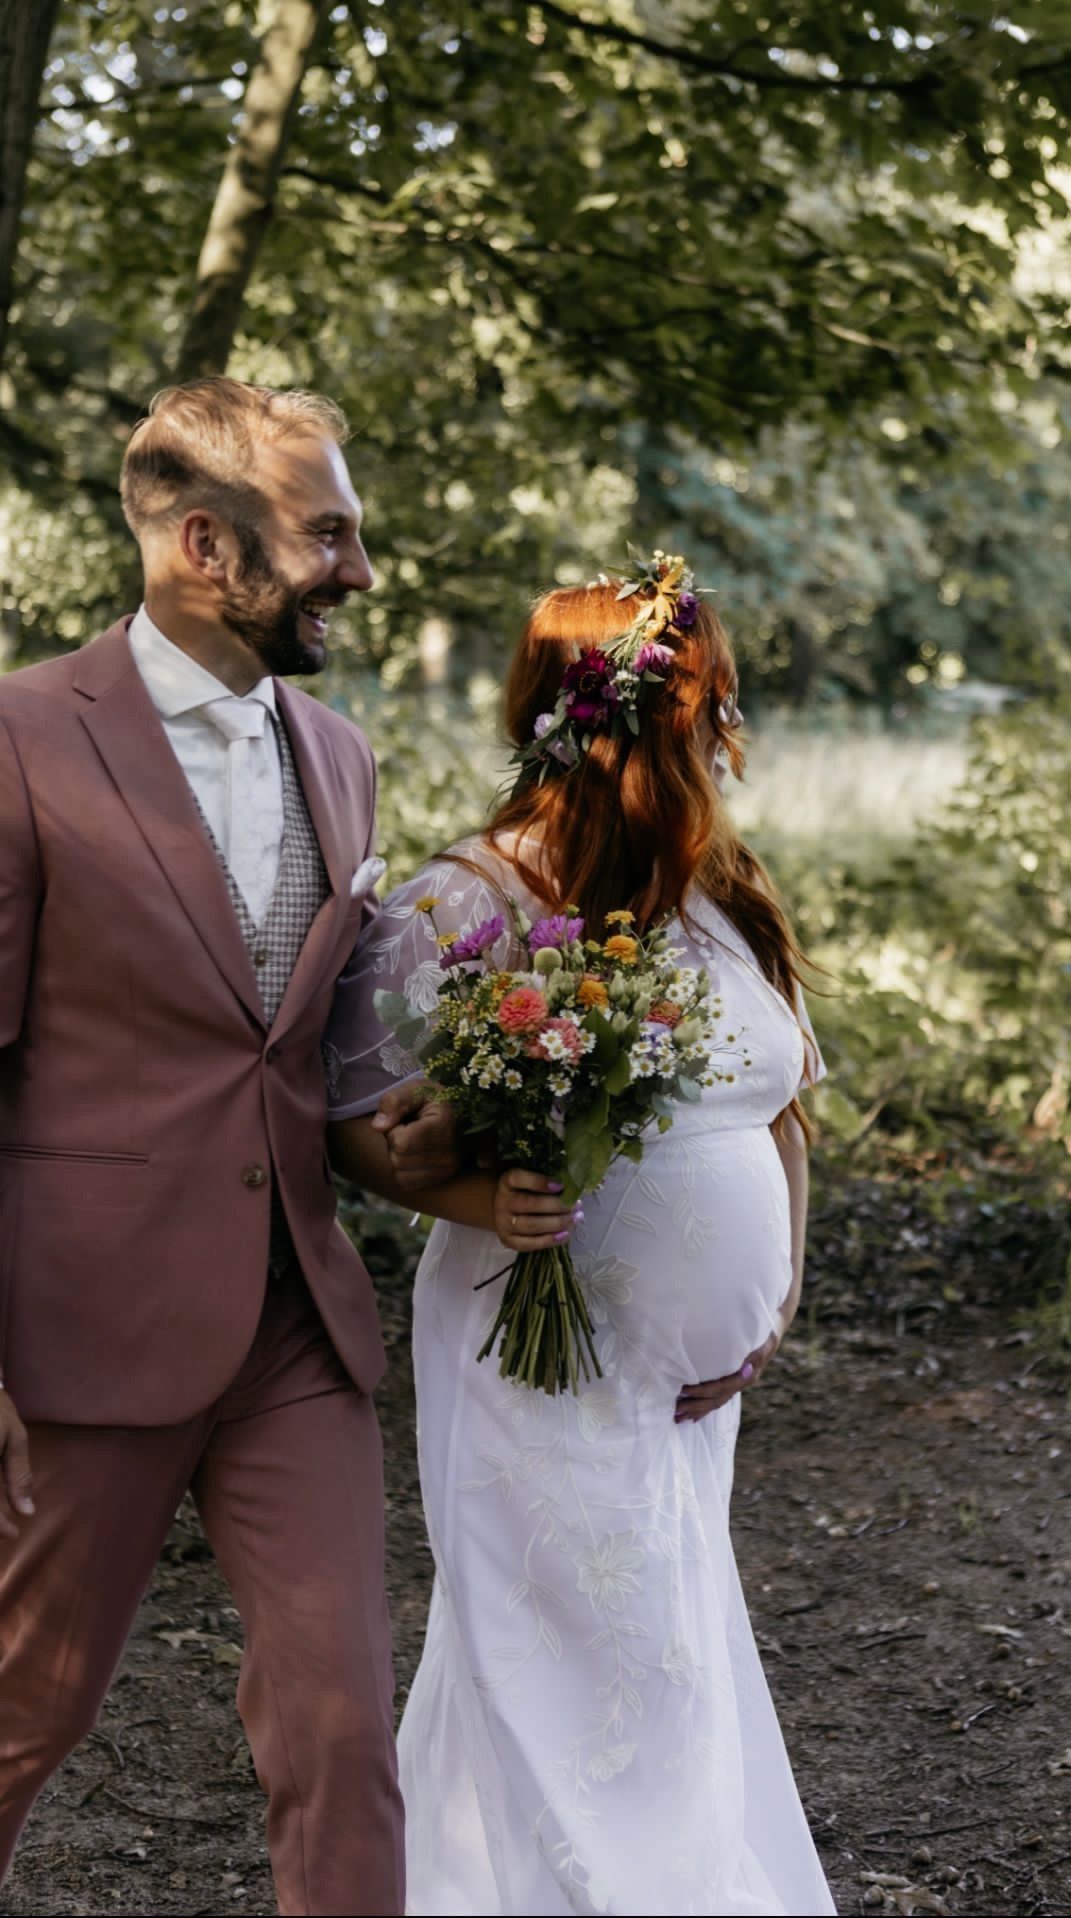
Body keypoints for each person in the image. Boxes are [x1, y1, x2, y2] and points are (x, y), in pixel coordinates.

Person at [0, 376, 453, 1916]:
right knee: (25, 1713)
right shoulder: (20, 738)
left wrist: (490, 1145)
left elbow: (330, 1059)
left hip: (295, 1331)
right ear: (207, 540)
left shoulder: (338, 751)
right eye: (330, 533)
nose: (362, 568)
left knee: (342, 1733)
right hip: (82, 1331)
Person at [327, 565, 837, 1916]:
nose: (728, 724)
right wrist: (479, 1201)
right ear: (644, 715)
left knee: (660, 1640)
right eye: (708, 695)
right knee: (565, 1653)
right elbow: (347, 1126)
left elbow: (784, 1106)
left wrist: (777, 1293)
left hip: (685, 1396)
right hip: (533, 1352)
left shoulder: (717, 891)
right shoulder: (462, 901)